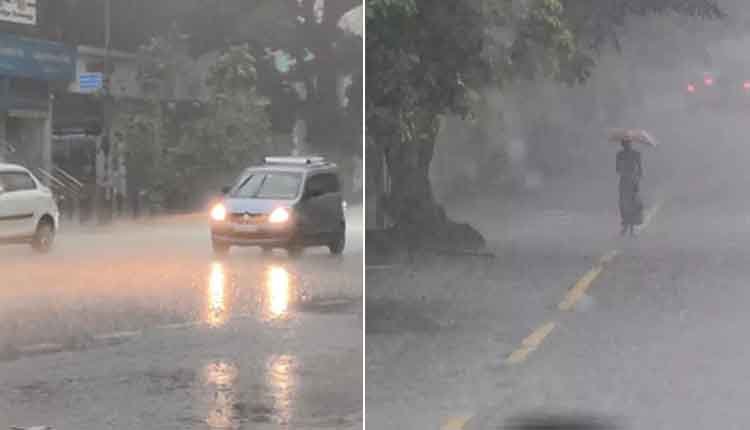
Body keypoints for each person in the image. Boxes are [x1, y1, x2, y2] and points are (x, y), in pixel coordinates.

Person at [616, 138, 643, 236]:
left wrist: (635, 178)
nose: (626, 145)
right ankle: (627, 226)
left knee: (630, 203)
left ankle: (630, 228)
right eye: (625, 143)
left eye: (626, 143)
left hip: (629, 180)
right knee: (626, 203)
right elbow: (617, 169)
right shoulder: (623, 154)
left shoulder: (632, 154)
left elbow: (640, 170)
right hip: (627, 180)